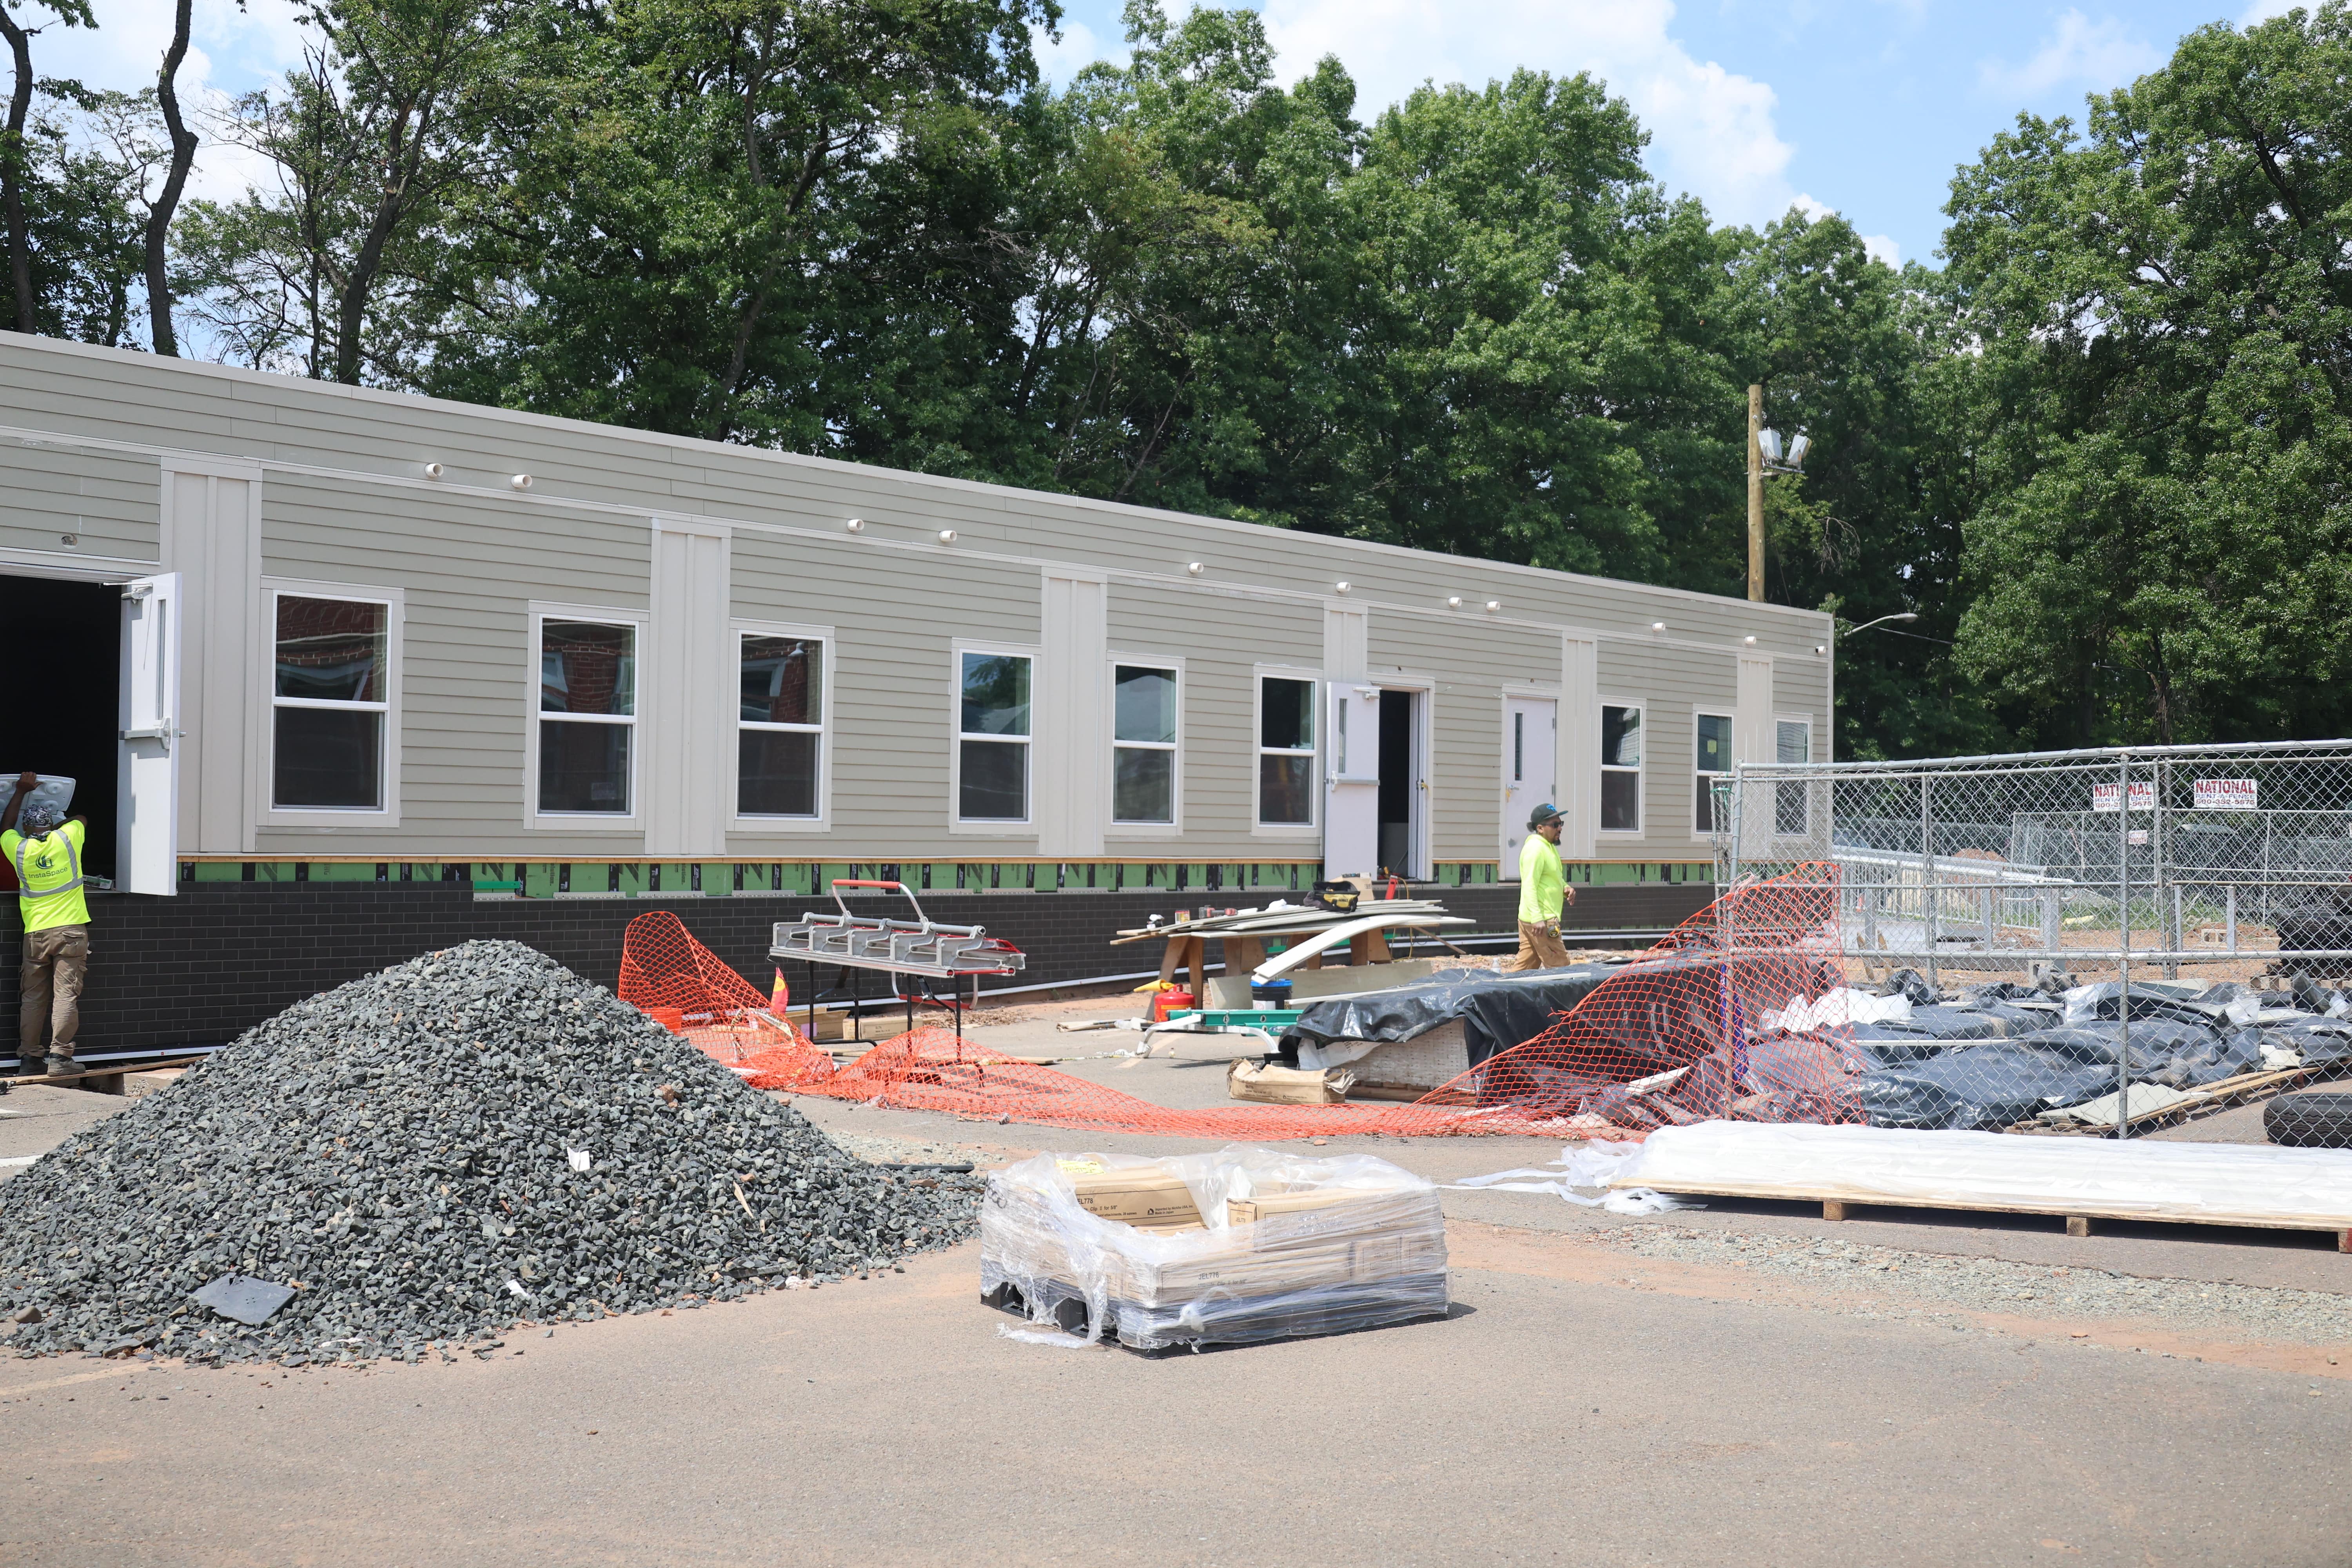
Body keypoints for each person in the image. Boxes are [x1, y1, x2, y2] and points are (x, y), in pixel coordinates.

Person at [2, 771, 90, 1077]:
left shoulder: (19, 848)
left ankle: (29, 1058)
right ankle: (61, 1059)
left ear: (25, 828)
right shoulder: (67, 837)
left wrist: (20, 791)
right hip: (70, 932)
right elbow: (81, 817)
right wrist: (59, 825)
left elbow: (5, 826)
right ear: (50, 825)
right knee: (65, 995)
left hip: (35, 934)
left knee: (33, 997)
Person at [1509, 803, 1576, 972]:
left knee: (1525, 968)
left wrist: (1565, 888)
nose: (1560, 828)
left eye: (1561, 824)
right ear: (1540, 828)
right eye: (1555, 825)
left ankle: (1503, 994)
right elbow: (1529, 885)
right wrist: (1537, 919)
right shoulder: (1536, 849)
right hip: (1542, 921)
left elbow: (1553, 878)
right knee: (1560, 966)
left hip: (1533, 919)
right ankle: (1568, 999)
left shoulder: (1549, 847)